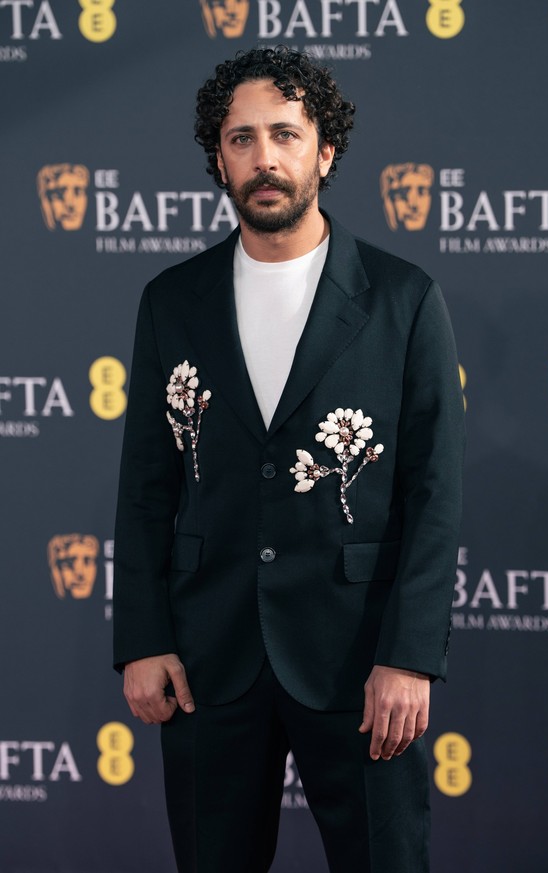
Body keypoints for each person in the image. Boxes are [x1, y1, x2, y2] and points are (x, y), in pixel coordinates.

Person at [113, 46, 464, 873]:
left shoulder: (403, 299)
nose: (264, 158)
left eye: (285, 134)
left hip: (359, 657)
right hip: (206, 658)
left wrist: (409, 655)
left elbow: (435, 489)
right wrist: (142, 638)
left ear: (324, 150)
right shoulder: (172, 301)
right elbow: (143, 486)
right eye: (241, 139)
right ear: (219, 158)